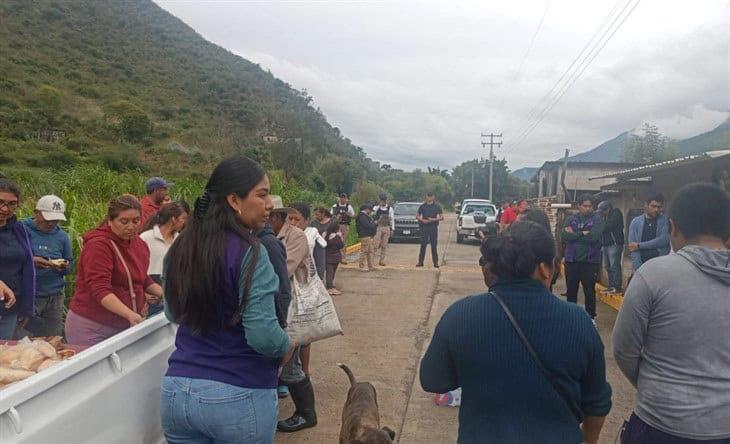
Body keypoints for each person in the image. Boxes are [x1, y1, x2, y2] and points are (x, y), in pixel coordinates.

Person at [420, 221, 612, 443]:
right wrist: (589, 439)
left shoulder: (461, 314)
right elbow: (597, 403)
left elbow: (432, 380)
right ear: (543, 268)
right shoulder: (579, 321)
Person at [161, 156, 294, 444]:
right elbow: (263, 337)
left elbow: (172, 312)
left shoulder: (180, 247)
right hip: (238, 393)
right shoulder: (251, 253)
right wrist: (287, 345)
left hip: (177, 391)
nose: (270, 203)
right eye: (262, 194)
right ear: (234, 200)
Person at [613, 183, 730, 443]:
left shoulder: (654, 275)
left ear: (673, 228)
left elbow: (623, 349)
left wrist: (659, 386)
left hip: (660, 425)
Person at [65, 195, 163, 346]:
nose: (131, 226)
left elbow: (142, 279)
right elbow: (100, 289)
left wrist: (166, 294)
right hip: (92, 326)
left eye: (136, 221)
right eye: (124, 221)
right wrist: (130, 314)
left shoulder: (140, 244)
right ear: (110, 221)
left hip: (125, 325)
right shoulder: (98, 246)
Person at [277, 202, 318, 433]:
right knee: (290, 366)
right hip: (284, 307)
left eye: (295, 219)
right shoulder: (271, 235)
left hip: (293, 306)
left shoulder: (296, 238)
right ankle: (306, 413)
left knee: (290, 361)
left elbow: (283, 271)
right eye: (289, 219)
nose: (291, 223)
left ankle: (306, 413)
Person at [21, 195, 73, 337]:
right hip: (30, 294)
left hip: (54, 296)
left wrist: (63, 266)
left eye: (55, 220)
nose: (51, 223)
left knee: (54, 336)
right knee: (24, 335)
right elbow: (12, 259)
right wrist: (32, 261)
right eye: (47, 219)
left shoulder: (62, 237)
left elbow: (70, 263)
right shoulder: (21, 230)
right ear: (36, 212)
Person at [139, 201, 188, 316]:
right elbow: (135, 269)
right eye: (183, 218)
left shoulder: (180, 240)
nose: (184, 222)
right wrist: (143, 293)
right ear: (173, 219)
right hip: (149, 292)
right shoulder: (146, 238)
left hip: (172, 292)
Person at [0, 178, 35, 339]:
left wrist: (27, 307)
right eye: (0, 202)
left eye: (12, 204)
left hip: (10, 309)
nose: (5, 209)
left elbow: (27, 269)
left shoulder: (19, 229)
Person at [562, 195, 604, 324]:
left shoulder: (597, 220)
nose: (588, 208)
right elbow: (564, 236)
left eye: (590, 206)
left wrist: (574, 235)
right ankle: (570, 317)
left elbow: (594, 237)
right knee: (571, 291)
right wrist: (582, 233)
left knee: (589, 291)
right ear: (579, 206)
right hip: (572, 260)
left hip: (589, 262)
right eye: (585, 206)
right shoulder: (571, 219)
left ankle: (590, 318)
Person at [257, 195, 291, 328]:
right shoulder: (264, 240)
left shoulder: (270, 244)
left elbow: (282, 288)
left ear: (274, 217)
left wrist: (280, 323)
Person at [627, 194, 669, 271]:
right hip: (641, 265)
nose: (656, 209)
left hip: (659, 265)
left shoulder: (665, 220)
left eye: (659, 207)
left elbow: (663, 241)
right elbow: (632, 247)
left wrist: (639, 246)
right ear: (646, 205)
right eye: (653, 206)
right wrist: (638, 269)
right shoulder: (635, 222)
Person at [597, 201, 624, 293]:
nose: (601, 213)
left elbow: (606, 227)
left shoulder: (616, 213)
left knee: (614, 266)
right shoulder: (605, 217)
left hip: (615, 244)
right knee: (607, 267)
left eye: (602, 211)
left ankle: (616, 287)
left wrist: (601, 222)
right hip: (606, 245)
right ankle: (611, 286)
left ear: (608, 208)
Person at [416, 193, 444, 268]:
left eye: (431, 196)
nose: (429, 198)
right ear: (426, 197)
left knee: (434, 246)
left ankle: (435, 263)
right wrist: (422, 220)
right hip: (424, 227)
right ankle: (420, 262)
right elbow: (417, 216)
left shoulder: (437, 206)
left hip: (433, 227)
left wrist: (433, 219)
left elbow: (441, 217)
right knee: (423, 245)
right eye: (428, 196)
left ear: (433, 197)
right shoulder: (423, 206)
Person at [332, 193, 355, 264]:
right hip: (337, 226)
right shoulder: (335, 206)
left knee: (344, 242)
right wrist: (336, 216)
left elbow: (354, 216)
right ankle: (336, 257)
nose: (343, 199)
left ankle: (343, 258)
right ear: (339, 198)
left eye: (344, 198)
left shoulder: (349, 207)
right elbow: (331, 215)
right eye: (341, 198)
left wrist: (348, 214)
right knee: (336, 241)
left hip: (345, 225)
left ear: (346, 199)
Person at [372, 193, 394, 266]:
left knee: (384, 245)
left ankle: (381, 260)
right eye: (382, 200)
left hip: (386, 227)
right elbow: (372, 215)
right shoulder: (376, 208)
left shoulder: (390, 209)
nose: (383, 202)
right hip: (378, 227)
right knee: (375, 244)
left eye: (384, 200)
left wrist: (392, 229)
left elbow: (392, 219)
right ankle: (372, 261)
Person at [325, 221, 345, 295]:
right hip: (336, 257)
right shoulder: (337, 236)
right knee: (332, 272)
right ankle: (330, 287)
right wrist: (340, 237)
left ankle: (330, 285)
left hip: (327, 256)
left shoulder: (326, 235)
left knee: (329, 272)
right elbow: (341, 246)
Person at [356, 203, 377, 272]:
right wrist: (373, 223)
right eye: (370, 210)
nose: (371, 212)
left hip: (367, 235)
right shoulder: (362, 216)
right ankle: (361, 266)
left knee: (370, 251)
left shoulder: (365, 216)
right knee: (364, 251)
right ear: (367, 209)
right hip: (364, 235)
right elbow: (367, 225)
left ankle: (370, 266)